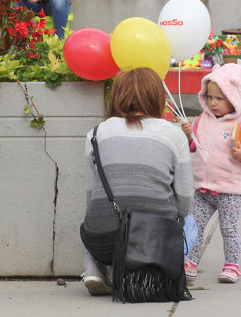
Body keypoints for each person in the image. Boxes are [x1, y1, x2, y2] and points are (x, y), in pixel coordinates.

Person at [80, 67, 193, 297]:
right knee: (191, 222)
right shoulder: (174, 135)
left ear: (117, 95)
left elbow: (91, 197)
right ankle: (160, 270)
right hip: (153, 240)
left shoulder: (95, 134)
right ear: (156, 97)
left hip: (103, 241)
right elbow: (184, 204)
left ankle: (95, 269)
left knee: (96, 220)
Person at [181, 63, 241, 285]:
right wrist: (188, 135)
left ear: (234, 99)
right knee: (194, 226)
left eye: (220, 98)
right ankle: (190, 262)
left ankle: (232, 265)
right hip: (203, 187)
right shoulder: (202, 120)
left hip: (229, 189)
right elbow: (193, 147)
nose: (213, 103)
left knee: (228, 228)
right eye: (210, 97)